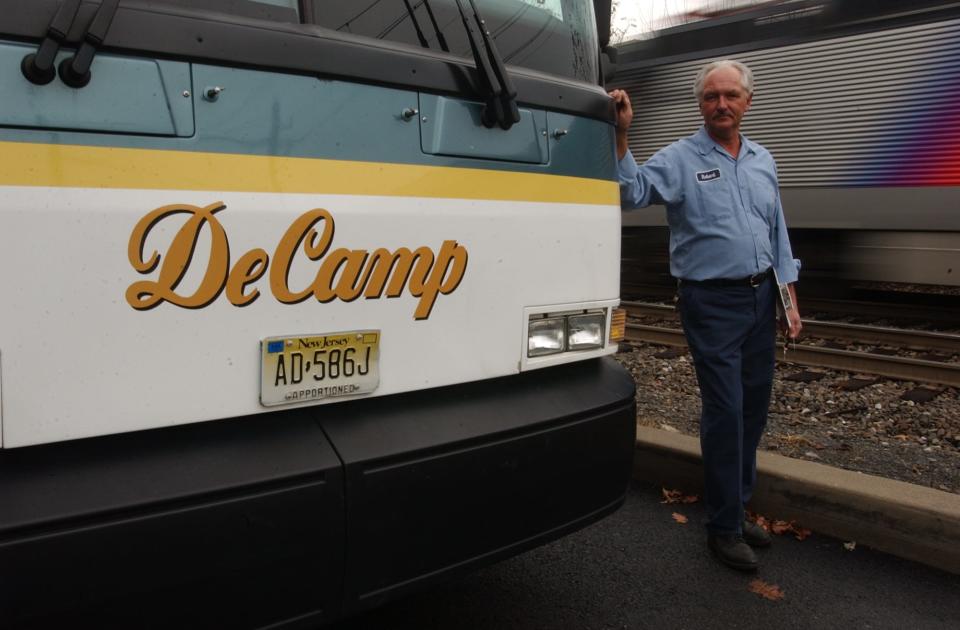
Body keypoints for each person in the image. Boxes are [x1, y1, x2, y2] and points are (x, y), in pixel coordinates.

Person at [610, 59, 802, 572]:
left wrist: (788, 297)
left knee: (753, 411)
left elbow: (776, 229)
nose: (722, 104)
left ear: (747, 102)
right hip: (711, 304)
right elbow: (631, 193)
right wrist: (622, 137)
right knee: (726, 412)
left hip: (763, 300)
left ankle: (735, 510)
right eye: (712, 96)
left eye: (731, 96)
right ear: (701, 104)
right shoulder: (680, 158)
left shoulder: (763, 159)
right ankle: (722, 528)